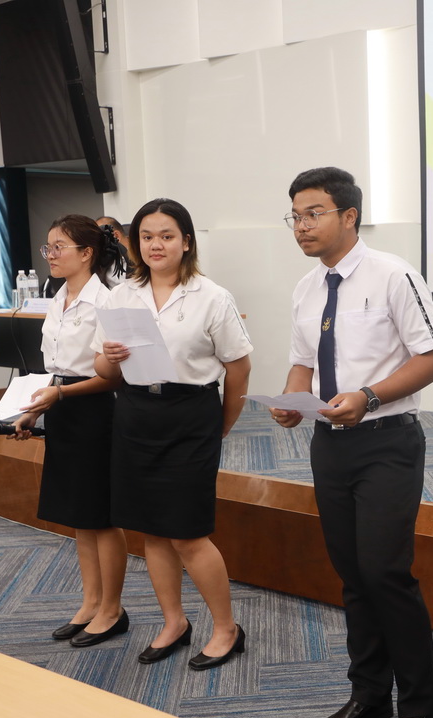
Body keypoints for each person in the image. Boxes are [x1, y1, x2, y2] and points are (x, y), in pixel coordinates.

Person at [271, 167, 433, 718]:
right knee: (351, 574)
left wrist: (369, 397)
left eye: (313, 213)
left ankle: (419, 707)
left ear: (349, 216)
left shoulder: (394, 275)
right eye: (295, 216)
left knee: (385, 572)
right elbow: (303, 363)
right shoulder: (306, 288)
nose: (302, 226)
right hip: (329, 443)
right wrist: (291, 400)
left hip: (386, 441)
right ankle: (369, 695)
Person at [93, 198, 253, 670]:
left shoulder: (212, 297)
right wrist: (109, 358)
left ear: (186, 241)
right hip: (136, 414)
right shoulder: (121, 296)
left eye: (166, 236)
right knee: (152, 530)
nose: (155, 245)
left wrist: (222, 425)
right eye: (146, 237)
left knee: (188, 533)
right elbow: (103, 370)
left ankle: (226, 629)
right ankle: (174, 622)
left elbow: (239, 368)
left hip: (191, 414)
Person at [13, 214, 128, 647]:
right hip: (60, 407)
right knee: (79, 517)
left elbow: (113, 378)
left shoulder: (108, 302)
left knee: (102, 516)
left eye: (59, 247)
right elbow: (55, 370)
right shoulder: (56, 298)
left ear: (87, 253)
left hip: (96, 410)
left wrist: (59, 395)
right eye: (48, 247)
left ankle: (112, 609)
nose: (50, 255)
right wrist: (35, 410)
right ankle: (90, 602)